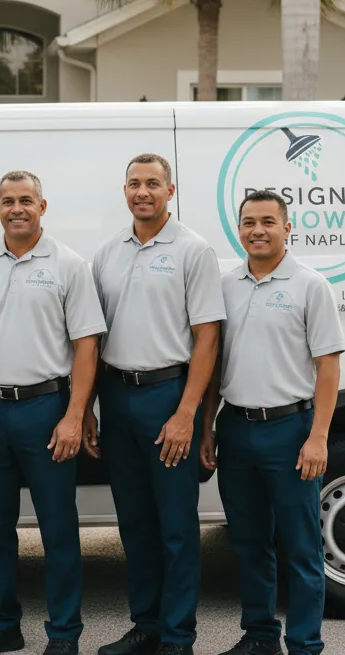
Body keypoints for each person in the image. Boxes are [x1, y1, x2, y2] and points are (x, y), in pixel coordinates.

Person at [0, 170, 107, 655]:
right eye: (8, 201)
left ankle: (64, 633)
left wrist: (75, 414)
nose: (17, 208)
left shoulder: (69, 265)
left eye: (26, 200)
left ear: (42, 206)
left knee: (58, 528)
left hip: (47, 409)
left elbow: (86, 345)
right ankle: (1, 625)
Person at [89, 153, 225, 655]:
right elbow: (92, 339)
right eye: (133, 183)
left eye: (152, 183)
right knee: (135, 524)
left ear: (171, 191)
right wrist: (89, 410)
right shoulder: (107, 254)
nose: (141, 191)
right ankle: (145, 626)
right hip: (118, 398)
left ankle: (178, 635)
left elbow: (208, 339)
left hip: (170, 397)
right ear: (124, 191)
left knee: (176, 526)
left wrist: (188, 414)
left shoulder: (193, 251)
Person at [200, 190, 345, 655]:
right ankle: (261, 635)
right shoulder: (224, 285)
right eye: (248, 222)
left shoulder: (309, 285)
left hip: (290, 431)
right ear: (238, 229)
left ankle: (305, 643)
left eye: (267, 221)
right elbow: (214, 364)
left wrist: (318, 437)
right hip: (236, 430)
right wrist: (207, 427)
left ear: (287, 228)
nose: (256, 229)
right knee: (248, 541)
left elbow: (328, 367)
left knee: (300, 547)